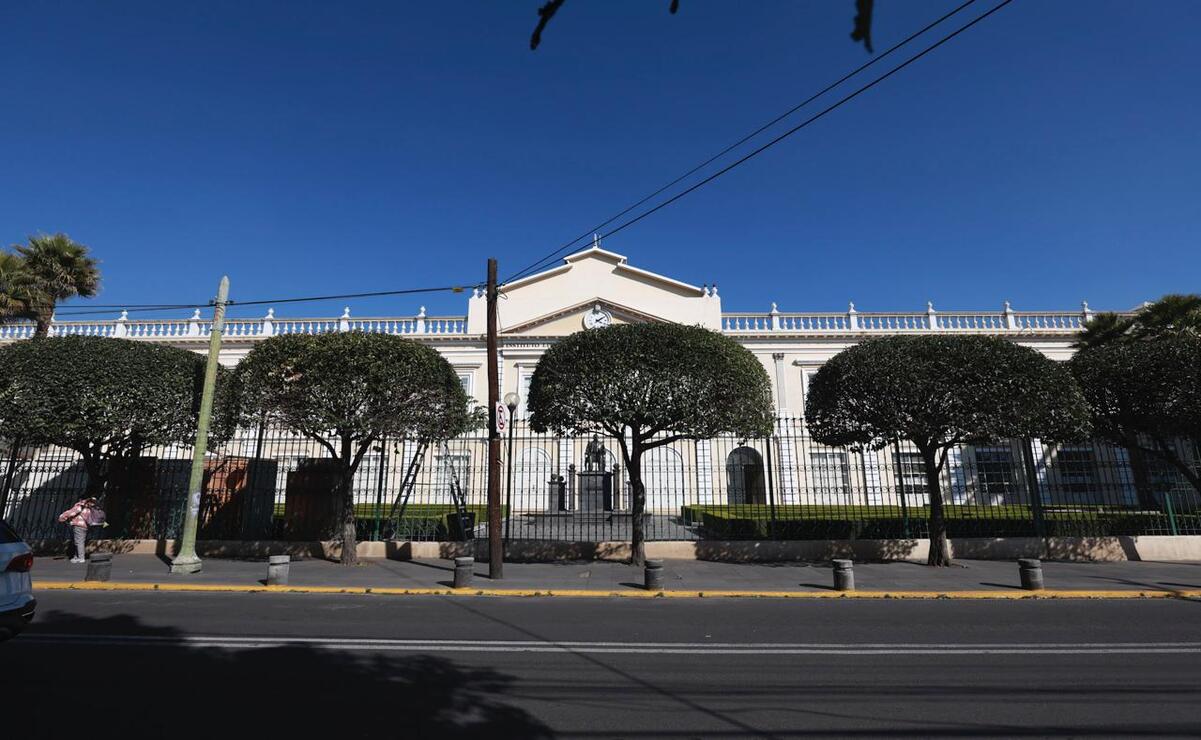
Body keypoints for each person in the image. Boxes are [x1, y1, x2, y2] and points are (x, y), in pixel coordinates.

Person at [57, 497, 106, 563]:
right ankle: (76, 556)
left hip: (79, 525)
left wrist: (62, 517)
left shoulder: (80, 506)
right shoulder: (91, 507)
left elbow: (71, 512)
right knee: (79, 541)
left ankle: (81, 558)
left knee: (79, 542)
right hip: (87, 526)